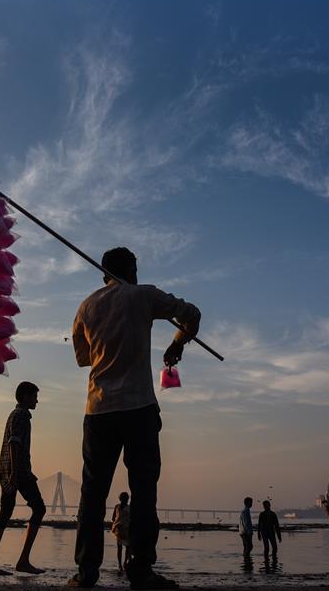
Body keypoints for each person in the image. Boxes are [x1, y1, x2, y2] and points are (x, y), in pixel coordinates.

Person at [70, 247, 201, 590]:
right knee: (144, 493)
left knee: (92, 494)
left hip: (98, 411)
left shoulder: (86, 307)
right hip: (139, 408)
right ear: (131, 269)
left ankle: (86, 573)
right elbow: (192, 315)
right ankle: (140, 570)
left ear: (103, 273)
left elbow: (83, 359)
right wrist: (177, 345)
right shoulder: (144, 296)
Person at [0, 382, 47, 576]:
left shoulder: (15, 414)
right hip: (18, 472)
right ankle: (23, 560)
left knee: (6, 512)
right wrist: (16, 473)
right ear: (25, 396)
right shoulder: (21, 416)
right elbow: (15, 443)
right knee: (39, 508)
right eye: (35, 396)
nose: (37, 400)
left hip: (9, 471)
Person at [111, 492, 131, 575]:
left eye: (126, 498)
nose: (125, 500)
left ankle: (123, 563)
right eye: (124, 498)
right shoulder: (118, 507)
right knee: (123, 547)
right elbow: (113, 517)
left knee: (125, 547)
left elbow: (113, 518)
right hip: (119, 530)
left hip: (124, 529)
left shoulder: (128, 507)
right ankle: (121, 564)